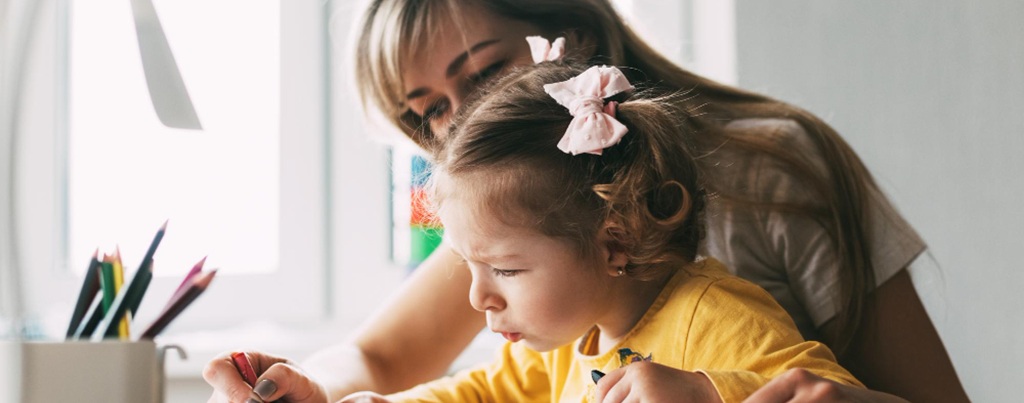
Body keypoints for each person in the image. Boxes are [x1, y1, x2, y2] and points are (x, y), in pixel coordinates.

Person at [203, 1, 969, 402]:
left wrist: (714, 392)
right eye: (430, 110)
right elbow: (393, 361)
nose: (464, 125)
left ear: (570, 41)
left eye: (483, 73)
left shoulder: (772, 177)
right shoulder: (528, 257)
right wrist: (305, 389)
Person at [345, 56, 864, 402]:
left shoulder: (715, 316)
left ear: (615, 242)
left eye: (505, 269)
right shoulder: (572, 335)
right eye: (471, 266)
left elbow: (827, 391)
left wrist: (708, 392)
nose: (478, 297)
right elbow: (485, 392)